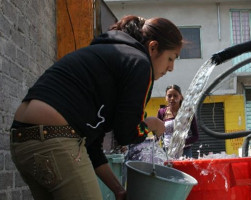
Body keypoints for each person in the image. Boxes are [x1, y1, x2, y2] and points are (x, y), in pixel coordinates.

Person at [10, 15, 183, 200]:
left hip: (21, 140)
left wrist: (117, 189)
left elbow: (91, 146)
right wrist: (150, 124)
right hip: (55, 137)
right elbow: (126, 133)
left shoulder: (106, 57)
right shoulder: (139, 62)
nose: (171, 68)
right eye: (170, 58)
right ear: (153, 47)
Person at [157, 84, 199, 158]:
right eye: (169, 96)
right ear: (166, 97)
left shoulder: (188, 112)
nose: (172, 98)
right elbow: (157, 133)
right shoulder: (161, 112)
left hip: (185, 151)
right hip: (167, 151)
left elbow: (196, 136)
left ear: (180, 96)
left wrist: (182, 142)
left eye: (175, 96)